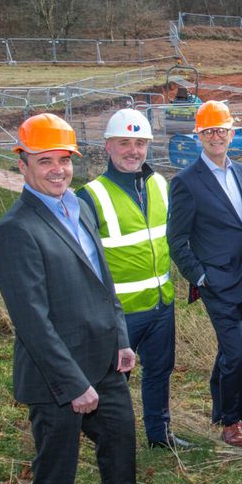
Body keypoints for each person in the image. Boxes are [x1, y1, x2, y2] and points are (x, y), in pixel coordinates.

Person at [0, 113, 170, 484]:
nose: (56, 170)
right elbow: (32, 321)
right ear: (23, 164)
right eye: (43, 161)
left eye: (63, 160)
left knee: (119, 435)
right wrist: (73, 385)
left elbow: (103, 282)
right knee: (57, 469)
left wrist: (121, 339)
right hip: (56, 376)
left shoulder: (77, 206)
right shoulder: (16, 230)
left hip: (103, 357)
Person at [76, 109, 187, 450]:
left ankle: (159, 434)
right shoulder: (90, 196)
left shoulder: (158, 184)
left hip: (160, 303)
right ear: (107, 146)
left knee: (159, 372)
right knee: (113, 381)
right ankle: (108, 439)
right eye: (124, 142)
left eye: (140, 143)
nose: (133, 150)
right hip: (119, 313)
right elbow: (85, 264)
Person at [167, 100, 242, 447]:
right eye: (208, 131)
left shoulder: (241, 172)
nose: (216, 136)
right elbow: (176, 239)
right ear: (199, 136)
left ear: (231, 133)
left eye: (221, 130)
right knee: (237, 354)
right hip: (217, 282)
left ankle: (225, 411)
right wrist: (200, 276)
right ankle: (230, 421)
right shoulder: (186, 182)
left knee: (231, 351)